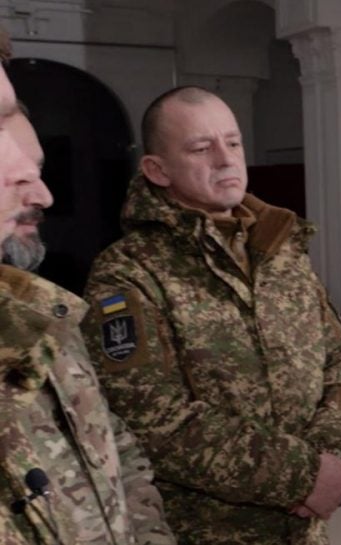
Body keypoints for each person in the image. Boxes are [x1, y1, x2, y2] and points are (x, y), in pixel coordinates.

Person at [79, 85, 341, 545]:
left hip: (304, 527)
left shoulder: (279, 249)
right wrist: (303, 476)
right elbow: (152, 419)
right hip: (205, 530)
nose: (225, 159)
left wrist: (334, 453)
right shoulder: (127, 273)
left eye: (233, 143)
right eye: (201, 148)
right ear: (157, 170)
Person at [0, 27, 175, 544]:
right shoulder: (125, 271)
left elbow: (115, 442)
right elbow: (146, 400)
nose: (44, 195)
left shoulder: (43, 311)